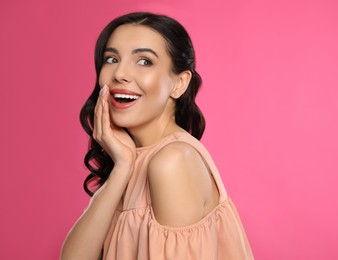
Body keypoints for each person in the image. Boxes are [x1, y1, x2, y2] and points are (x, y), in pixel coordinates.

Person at [61, 12, 253, 260]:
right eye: (111, 59)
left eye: (144, 61)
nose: (120, 73)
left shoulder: (173, 161)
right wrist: (122, 167)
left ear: (179, 83)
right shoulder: (134, 157)